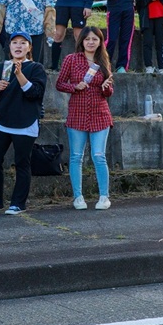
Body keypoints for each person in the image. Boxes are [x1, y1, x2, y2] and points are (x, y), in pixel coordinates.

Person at [0, 31, 47, 215]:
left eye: (23, 43)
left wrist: (20, 75)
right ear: (9, 46)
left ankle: (18, 203)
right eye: (15, 42)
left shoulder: (36, 68)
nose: (18, 46)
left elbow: (35, 93)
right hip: (2, 122)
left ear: (29, 47)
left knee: (22, 163)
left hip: (26, 123)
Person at [55, 26, 114, 210]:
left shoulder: (103, 60)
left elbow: (109, 92)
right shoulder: (71, 59)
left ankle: (104, 196)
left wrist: (105, 87)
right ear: (81, 41)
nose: (90, 42)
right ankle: (78, 196)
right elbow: (59, 84)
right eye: (87, 39)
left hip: (100, 113)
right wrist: (74, 87)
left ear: (100, 42)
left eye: (95, 39)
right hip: (77, 113)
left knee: (99, 155)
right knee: (76, 156)